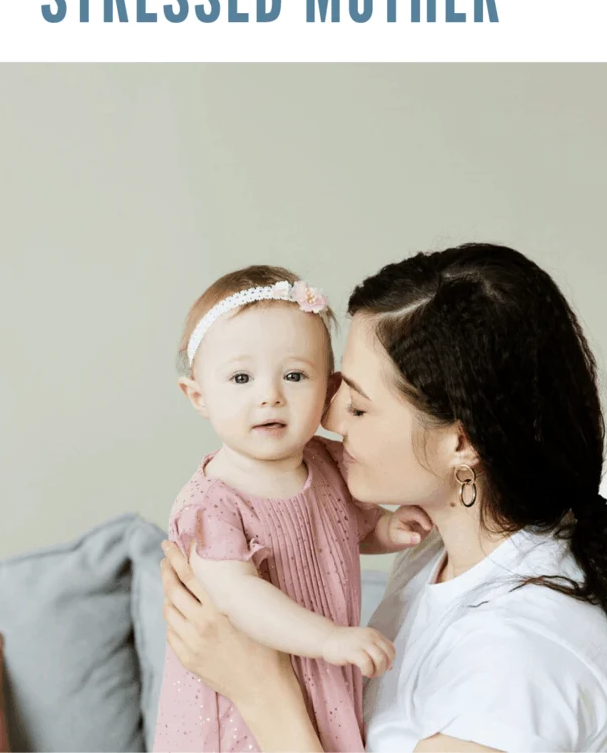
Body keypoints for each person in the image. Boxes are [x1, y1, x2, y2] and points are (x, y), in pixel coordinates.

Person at [159, 244, 607, 753]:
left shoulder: (517, 666)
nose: (328, 422)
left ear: (462, 443)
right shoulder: (435, 549)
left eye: (357, 406)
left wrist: (262, 690)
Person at [154, 265, 432, 753]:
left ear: (328, 390)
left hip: (320, 677)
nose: (269, 395)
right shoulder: (211, 504)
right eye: (241, 377)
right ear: (198, 396)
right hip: (241, 701)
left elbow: (343, 531)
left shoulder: (326, 463)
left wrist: (387, 528)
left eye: (295, 375)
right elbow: (237, 597)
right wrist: (327, 639)